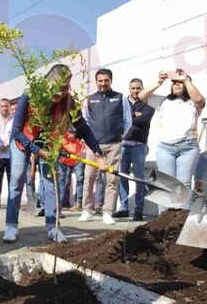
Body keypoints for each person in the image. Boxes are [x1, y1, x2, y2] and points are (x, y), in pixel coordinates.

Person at [3, 64, 106, 244]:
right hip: (22, 139)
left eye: (66, 87)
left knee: (51, 184)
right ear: (47, 83)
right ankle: (11, 225)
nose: (61, 91)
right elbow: (16, 131)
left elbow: (82, 127)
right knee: (17, 180)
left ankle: (53, 227)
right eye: (57, 86)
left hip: (49, 142)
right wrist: (36, 150)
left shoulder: (69, 102)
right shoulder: (29, 96)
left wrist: (97, 151)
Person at [138, 69, 205, 211]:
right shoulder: (163, 101)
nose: (177, 84)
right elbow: (142, 96)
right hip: (165, 148)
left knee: (184, 184)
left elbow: (200, 100)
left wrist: (186, 79)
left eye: (180, 82)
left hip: (188, 147)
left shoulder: (193, 103)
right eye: (174, 82)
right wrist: (159, 82)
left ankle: (181, 221)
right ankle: (163, 221)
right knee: (165, 184)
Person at [79, 68, 131, 225]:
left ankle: (108, 211)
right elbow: (85, 122)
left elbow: (127, 121)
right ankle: (87, 210)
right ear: (96, 82)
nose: (103, 83)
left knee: (112, 179)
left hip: (114, 145)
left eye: (106, 80)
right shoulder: (89, 100)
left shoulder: (120, 98)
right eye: (100, 81)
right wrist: (88, 141)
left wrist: (120, 137)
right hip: (93, 146)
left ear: (111, 81)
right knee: (89, 177)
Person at [117, 78, 154, 221]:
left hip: (139, 145)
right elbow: (118, 119)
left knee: (139, 179)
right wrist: (134, 116)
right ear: (129, 89)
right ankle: (123, 208)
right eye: (133, 88)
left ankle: (138, 210)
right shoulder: (123, 103)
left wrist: (128, 117)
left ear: (142, 89)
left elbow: (144, 120)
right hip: (123, 144)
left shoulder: (148, 103)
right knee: (122, 176)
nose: (135, 91)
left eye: (138, 88)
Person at [58, 129, 85, 209]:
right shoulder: (61, 119)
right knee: (65, 179)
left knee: (80, 178)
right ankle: (64, 202)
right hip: (65, 154)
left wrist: (76, 135)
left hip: (79, 152)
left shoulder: (80, 119)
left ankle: (78, 202)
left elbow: (85, 131)